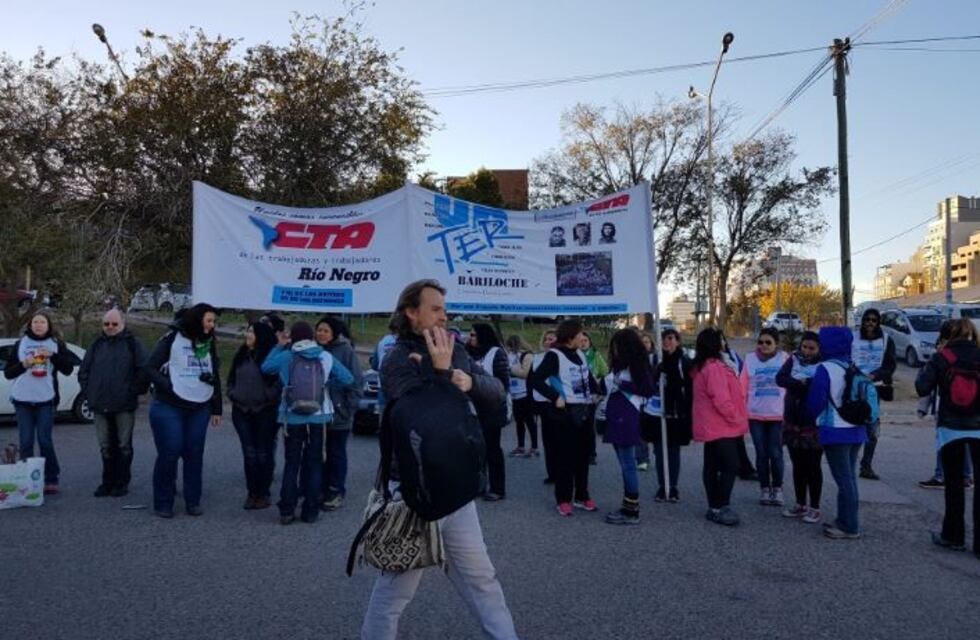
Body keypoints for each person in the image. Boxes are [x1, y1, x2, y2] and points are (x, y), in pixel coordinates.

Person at [360, 279, 518, 640]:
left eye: (445, 309)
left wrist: (467, 381)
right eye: (435, 309)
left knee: (482, 581)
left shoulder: (456, 349)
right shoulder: (396, 357)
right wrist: (444, 374)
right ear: (411, 313)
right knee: (394, 593)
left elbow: (496, 394)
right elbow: (421, 418)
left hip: (457, 485)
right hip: (414, 491)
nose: (444, 316)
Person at [262, 321, 354, 524]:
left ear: (293, 337)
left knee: (292, 462)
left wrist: (278, 345)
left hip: (291, 416)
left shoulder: (287, 356)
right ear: (311, 336)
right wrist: (326, 385)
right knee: (314, 463)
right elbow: (348, 379)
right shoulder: (324, 356)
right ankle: (310, 511)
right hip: (319, 416)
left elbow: (266, 368)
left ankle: (286, 509)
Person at [144, 303, 223, 518]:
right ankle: (163, 501)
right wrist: (168, 385)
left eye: (214, 322)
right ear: (197, 320)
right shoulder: (172, 338)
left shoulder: (208, 341)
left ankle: (193, 501)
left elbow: (213, 373)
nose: (212, 325)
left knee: (194, 453)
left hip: (199, 405)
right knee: (170, 452)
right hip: (170, 404)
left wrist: (217, 409)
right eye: (209, 321)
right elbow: (149, 368)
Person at [915, 318, 980, 556]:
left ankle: (953, 536)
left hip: (950, 426)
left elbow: (922, 387)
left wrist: (934, 361)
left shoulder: (942, 357)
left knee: (953, 484)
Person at [4, 311, 80, 495]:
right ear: (30, 325)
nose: (38, 325)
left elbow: (69, 368)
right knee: (26, 442)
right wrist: (24, 364)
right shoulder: (20, 344)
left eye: (42, 322)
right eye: (35, 322)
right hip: (22, 400)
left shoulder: (55, 344)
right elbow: (8, 373)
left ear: (48, 326)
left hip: (46, 400)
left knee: (45, 440)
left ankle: (51, 477)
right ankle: (27, 479)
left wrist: (53, 355)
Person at [529, 319, 599, 517]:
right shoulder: (554, 355)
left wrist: (596, 391)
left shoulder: (580, 355)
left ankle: (582, 495)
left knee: (583, 456)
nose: (583, 337)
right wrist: (555, 396)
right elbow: (536, 379)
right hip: (564, 412)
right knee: (565, 458)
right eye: (580, 334)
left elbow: (588, 378)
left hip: (584, 410)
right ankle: (563, 499)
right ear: (570, 336)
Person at [78, 309, 148, 498]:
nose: (110, 327)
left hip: (124, 404)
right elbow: (84, 371)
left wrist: (133, 391)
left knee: (124, 445)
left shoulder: (133, 344)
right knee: (105, 446)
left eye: (114, 324)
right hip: (99, 404)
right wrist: (89, 392)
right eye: (106, 324)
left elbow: (144, 370)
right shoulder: (96, 344)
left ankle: (121, 483)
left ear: (123, 324)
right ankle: (106, 482)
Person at [806, 327, 867, 540]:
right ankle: (847, 519)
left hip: (835, 430)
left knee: (844, 479)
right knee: (849, 478)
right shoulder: (852, 365)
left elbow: (816, 402)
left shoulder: (825, 368)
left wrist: (809, 417)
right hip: (856, 429)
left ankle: (849, 526)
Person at [691, 328, 749, 526]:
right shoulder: (714, 367)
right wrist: (735, 418)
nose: (724, 342)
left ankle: (714, 506)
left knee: (712, 466)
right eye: (721, 339)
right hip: (721, 425)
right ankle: (721, 505)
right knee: (730, 465)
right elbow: (721, 399)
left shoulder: (704, 365)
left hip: (713, 425)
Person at [601, 329, 656, 524]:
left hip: (627, 415)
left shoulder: (637, 364)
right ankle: (628, 505)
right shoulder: (622, 364)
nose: (614, 349)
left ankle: (631, 510)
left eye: (617, 346)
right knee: (625, 464)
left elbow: (649, 389)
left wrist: (622, 385)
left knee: (628, 464)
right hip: (617, 415)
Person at [227, 322, 281, 510]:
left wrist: (268, 396)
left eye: (251, 331)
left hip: (265, 411)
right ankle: (252, 493)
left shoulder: (270, 357)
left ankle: (263, 492)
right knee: (249, 453)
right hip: (242, 410)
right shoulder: (241, 355)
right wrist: (233, 393)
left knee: (263, 453)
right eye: (247, 330)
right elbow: (231, 378)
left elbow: (278, 384)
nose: (247, 334)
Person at [917, 322, 975, 489]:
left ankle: (941, 475)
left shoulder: (943, 356)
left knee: (944, 444)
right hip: (975, 413)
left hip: (948, 411)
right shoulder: (976, 354)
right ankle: (966, 476)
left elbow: (923, 386)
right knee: (967, 444)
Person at [315, 315, 364, 511]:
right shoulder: (314, 351)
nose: (321, 334)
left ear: (334, 333)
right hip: (317, 413)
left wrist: (346, 409)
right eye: (318, 330)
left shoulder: (346, 351)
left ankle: (336, 490)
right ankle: (319, 487)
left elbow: (356, 383)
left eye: (325, 330)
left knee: (336, 453)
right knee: (318, 453)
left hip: (338, 413)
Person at [776, 331, 823, 524]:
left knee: (813, 466)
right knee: (798, 465)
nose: (807, 351)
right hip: (792, 422)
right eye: (805, 347)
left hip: (813, 424)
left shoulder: (824, 364)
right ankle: (800, 503)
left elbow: (823, 386)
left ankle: (815, 507)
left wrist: (808, 384)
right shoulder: (793, 360)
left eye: (812, 348)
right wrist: (796, 382)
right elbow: (780, 378)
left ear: (819, 349)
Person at [741, 327, 790, 506]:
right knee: (761, 454)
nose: (763, 346)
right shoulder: (750, 359)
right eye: (760, 342)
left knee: (776, 453)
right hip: (755, 415)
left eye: (768, 342)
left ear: (776, 344)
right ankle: (764, 488)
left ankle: (777, 489)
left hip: (777, 416)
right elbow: (742, 387)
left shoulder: (785, 359)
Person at [467, 322, 510, 501]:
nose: (469, 338)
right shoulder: (467, 353)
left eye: (473, 335)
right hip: (471, 408)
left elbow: (503, 383)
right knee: (475, 449)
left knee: (492, 449)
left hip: (492, 409)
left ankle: (498, 488)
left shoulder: (496, 353)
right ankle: (478, 484)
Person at [852, 308, 896, 480]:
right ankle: (851, 462)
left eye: (874, 320)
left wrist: (876, 375)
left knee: (872, 428)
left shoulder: (886, 339)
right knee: (853, 423)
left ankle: (866, 465)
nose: (870, 323)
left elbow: (890, 365)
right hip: (855, 386)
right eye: (867, 319)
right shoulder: (854, 337)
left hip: (874, 387)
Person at [650, 328, 693, 503]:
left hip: (676, 413)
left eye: (670, 338)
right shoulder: (655, 360)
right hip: (658, 412)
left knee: (673, 452)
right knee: (660, 452)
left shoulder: (684, 361)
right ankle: (662, 485)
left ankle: (673, 486)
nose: (667, 342)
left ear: (677, 341)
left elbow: (688, 386)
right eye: (664, 339)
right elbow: (650, 382)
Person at [721, 333, 758, 481]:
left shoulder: (732, 355)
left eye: (722, 339)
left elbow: (744, 373)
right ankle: (740, 467)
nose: (721, 343)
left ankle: (743, 467)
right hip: (724, 401)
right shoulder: (712, 360)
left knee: (737, 436)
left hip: (736, 400)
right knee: (729, 438)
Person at [531, 329, 558, 483]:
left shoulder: (561, 357)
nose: (549, 342)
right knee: (547, 440)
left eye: (552, 339)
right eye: (547, 339)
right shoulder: (538, 357)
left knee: (559, 440)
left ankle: (562, 471)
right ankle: (551, 473)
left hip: (557, 401)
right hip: (542, 402)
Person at [505, 335, 536, 458]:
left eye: (511, 346)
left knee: (529, 421)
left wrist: (510, 369)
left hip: (526, 393)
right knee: (519, 422)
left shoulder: (527, 355)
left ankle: (534, 447)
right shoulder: (510, 355)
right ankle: (521, 446)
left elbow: (525, 373)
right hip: (514, 393)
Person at [580, 331, 608, 465]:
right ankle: (580, 451)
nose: (583, 342)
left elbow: (605, 370)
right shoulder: (574, 354)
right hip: (577, 394)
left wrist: (596, 377)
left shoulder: (595, 355)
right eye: (581, 340)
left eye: (586, 340)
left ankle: (591, 454)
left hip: (591, 395)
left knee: (589, 425)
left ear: (590, 342)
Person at [636, 331, 655, 471]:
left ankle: (657, 453)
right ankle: (642, 459)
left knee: (653, 430)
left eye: (647, 342)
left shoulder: (656, 358)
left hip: (655, 401)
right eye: (642, 342)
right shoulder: (634, 361)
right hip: (640, 400)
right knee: (640, 430)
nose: (644, 345)